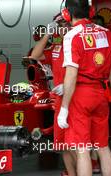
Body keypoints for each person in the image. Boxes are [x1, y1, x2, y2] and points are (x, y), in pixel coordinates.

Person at [57, 0, 111, 176]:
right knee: (103, 146)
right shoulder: (107, 33)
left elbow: (72, 74)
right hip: (101, 93)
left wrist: (64, 108)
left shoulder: (71, 36)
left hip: (80, 95)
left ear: (66, 13)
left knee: (82, 150)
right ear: (91, 11)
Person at [30, 14, 76, 176]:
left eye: (65, 23)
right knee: (62, 145)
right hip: (58, 103)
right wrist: (48, 33)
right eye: (59, 24)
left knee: (75, 145)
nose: (63, 27)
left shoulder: (78, 44)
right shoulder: (56, 48)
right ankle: (71, 173)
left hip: (76, 101)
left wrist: (69, 86)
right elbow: (34, 56)